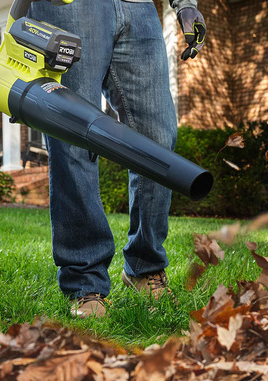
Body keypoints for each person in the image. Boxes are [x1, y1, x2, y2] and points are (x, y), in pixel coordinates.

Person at [29, 0, 206, 318]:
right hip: (69, 6)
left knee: (157, 140)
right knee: (74, 137)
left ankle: (145, 266)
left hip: (139, 9)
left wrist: (185, 5)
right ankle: (86, 282)